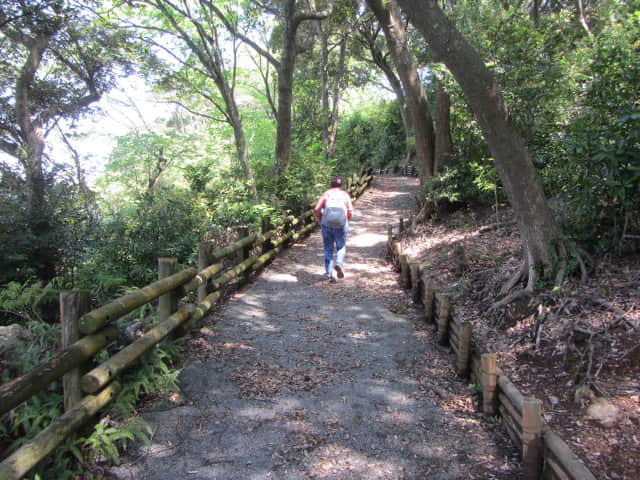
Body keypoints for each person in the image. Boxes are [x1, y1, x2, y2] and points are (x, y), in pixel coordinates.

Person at [314, 176, 354, 283]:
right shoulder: (344, 195)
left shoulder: (326, 194)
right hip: (341, 224)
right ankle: (339, 264)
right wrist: (346, 220)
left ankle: (328, 274)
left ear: (331, 184)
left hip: (327, 224)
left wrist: (320, 219)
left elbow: (317, 209)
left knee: (328, 248)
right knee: (341, 246)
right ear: (341, 185)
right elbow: (350, 210)